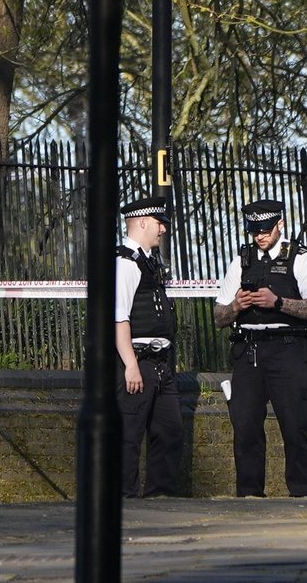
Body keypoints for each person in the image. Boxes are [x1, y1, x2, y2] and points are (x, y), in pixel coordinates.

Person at [213, 198, 307, 497]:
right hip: (248, 350)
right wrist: (236, 306)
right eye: (254, 230)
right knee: (246, 426)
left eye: (265, 229)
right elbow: (218, 316)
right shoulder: (241, 261)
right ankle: (249, 495)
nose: (260, 236)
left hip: (287, 349)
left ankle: (301, 492)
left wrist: (278, 303)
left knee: (295, 424)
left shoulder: (300, 258)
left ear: (280, 224)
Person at [115, 195, 184, 498]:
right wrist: (130, 364)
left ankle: (160, 495)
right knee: (129, 434)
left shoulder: (148, 262)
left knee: (170, 430)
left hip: (159, 364)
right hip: (138, 361)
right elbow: (119, 318)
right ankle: (126, 497)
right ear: (143, 222)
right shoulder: (125, 263)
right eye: (160, 223)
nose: (164, 229)